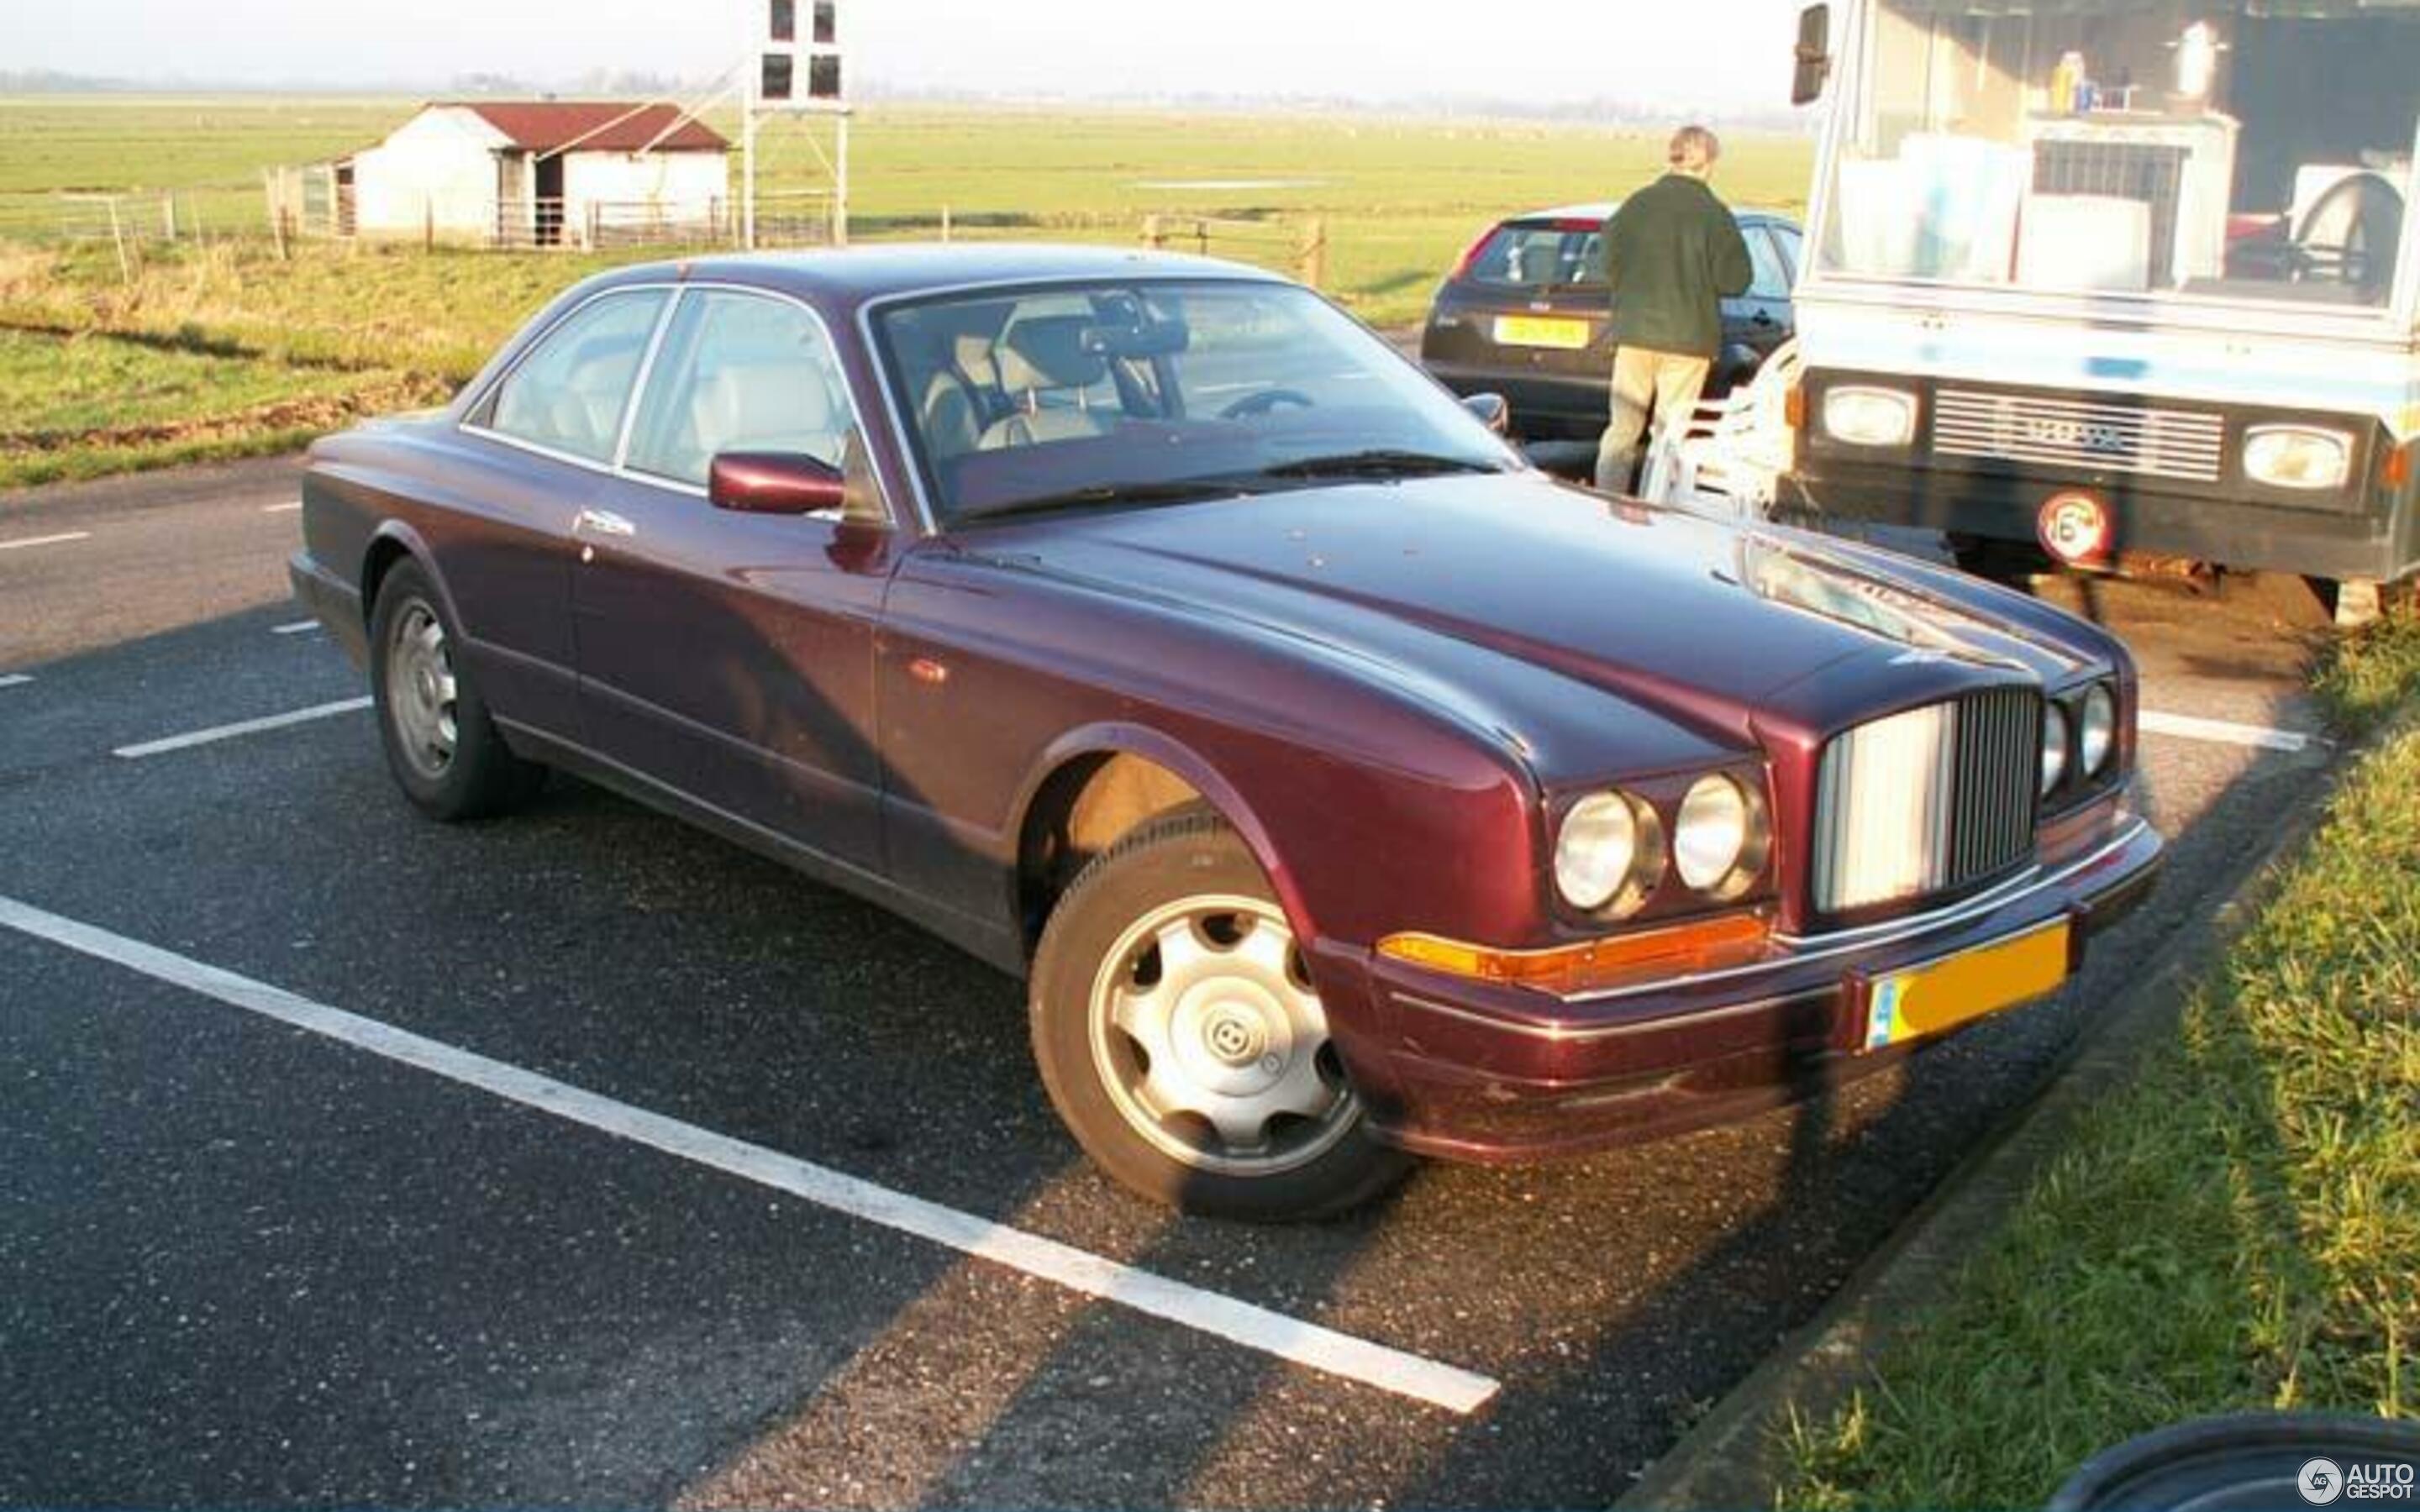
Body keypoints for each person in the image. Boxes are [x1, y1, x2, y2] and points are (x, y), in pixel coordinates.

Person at [1593, 125, 1755, 493]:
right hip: (1688, 341)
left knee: (1622, 428)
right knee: (1669, 435)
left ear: (1672, 156)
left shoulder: (1636, 204)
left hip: (1634, 336)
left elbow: (1606, 264)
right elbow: (1736, 281)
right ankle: (1656, 509)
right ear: (1710, 162)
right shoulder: (1714, 214)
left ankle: (1605, 505)